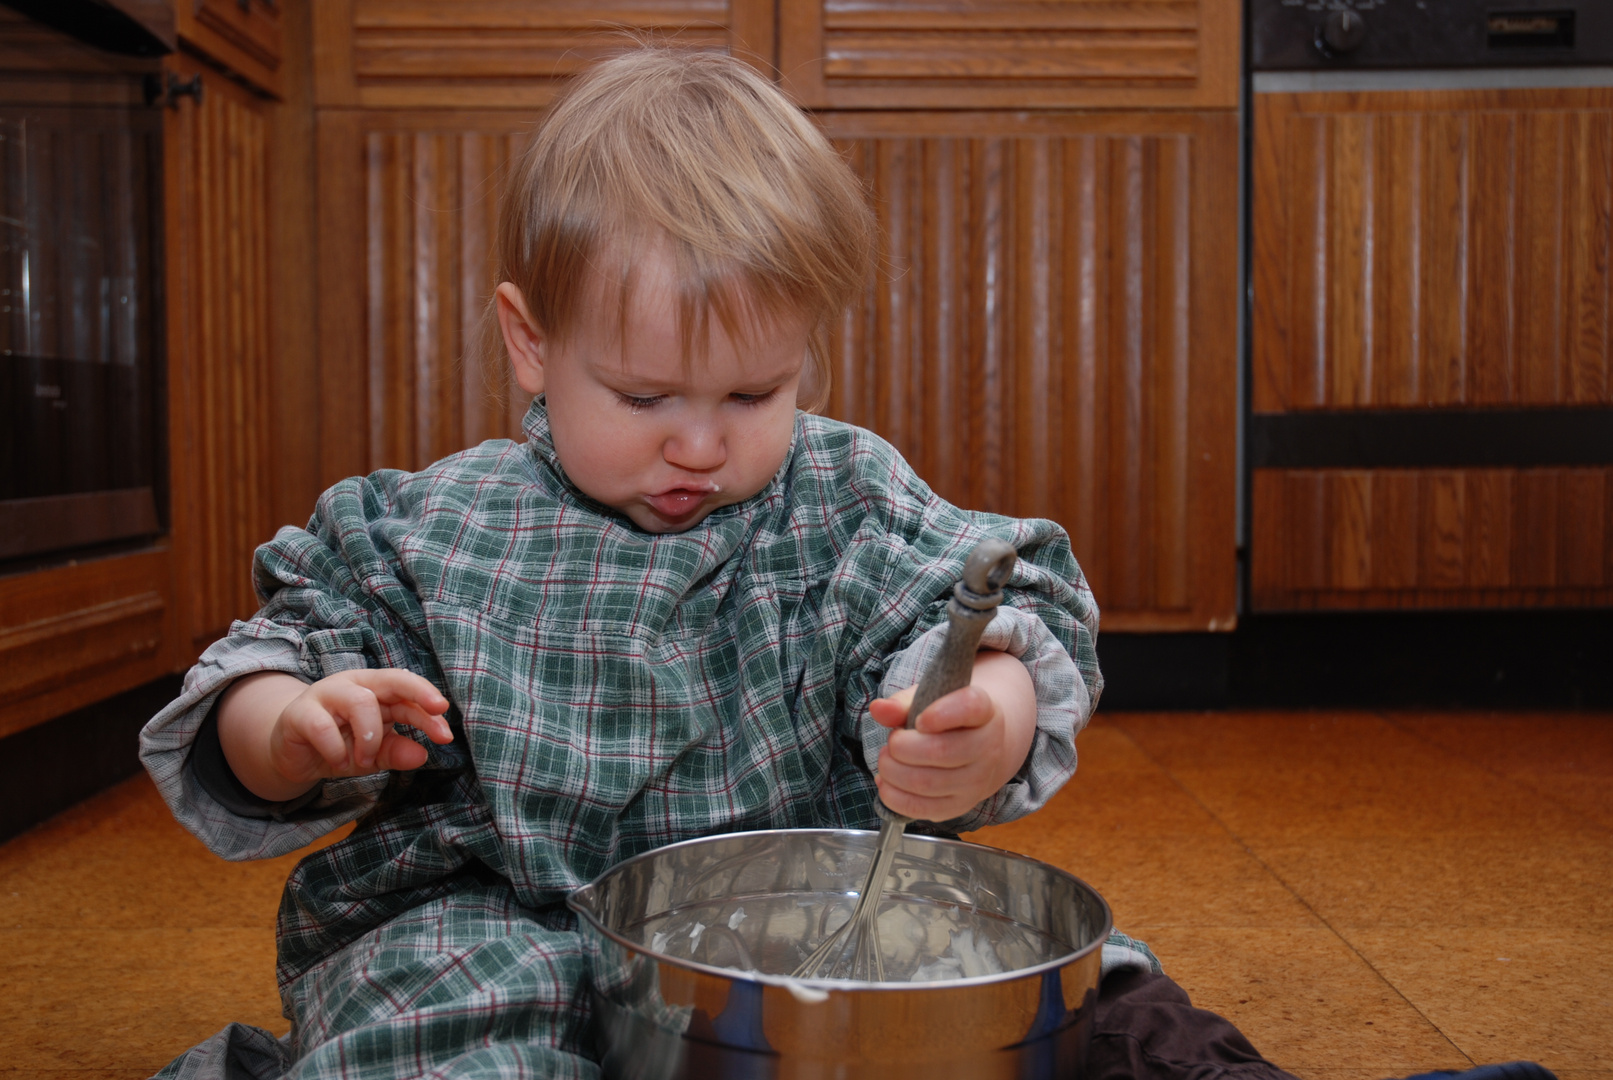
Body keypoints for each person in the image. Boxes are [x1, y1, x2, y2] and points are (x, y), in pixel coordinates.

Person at [139, 48, 1553, 1080]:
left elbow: (992, 603)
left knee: (1081, 1008)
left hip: (810, 923)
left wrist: (980, 720)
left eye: (755, 394)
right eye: (640, 398)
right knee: (428, 1025)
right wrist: (295, 730)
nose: (700, 444)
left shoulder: (842, 493)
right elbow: (269, 668)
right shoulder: (423, 527)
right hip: (497, 924)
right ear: (529, 341)